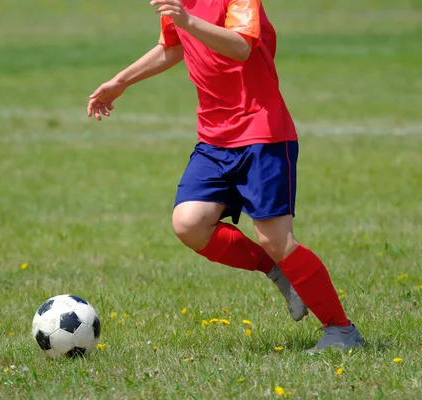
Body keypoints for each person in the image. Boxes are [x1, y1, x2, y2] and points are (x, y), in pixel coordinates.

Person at [86, 0, 363, 351]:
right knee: (190, 223)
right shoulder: (180, 3)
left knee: (276, 240)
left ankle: (342, 331)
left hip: (261, 133)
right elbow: (172, 47)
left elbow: (241, 46)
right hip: (215, 139)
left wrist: (187, 19)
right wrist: (120, 81)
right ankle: (278, 271)